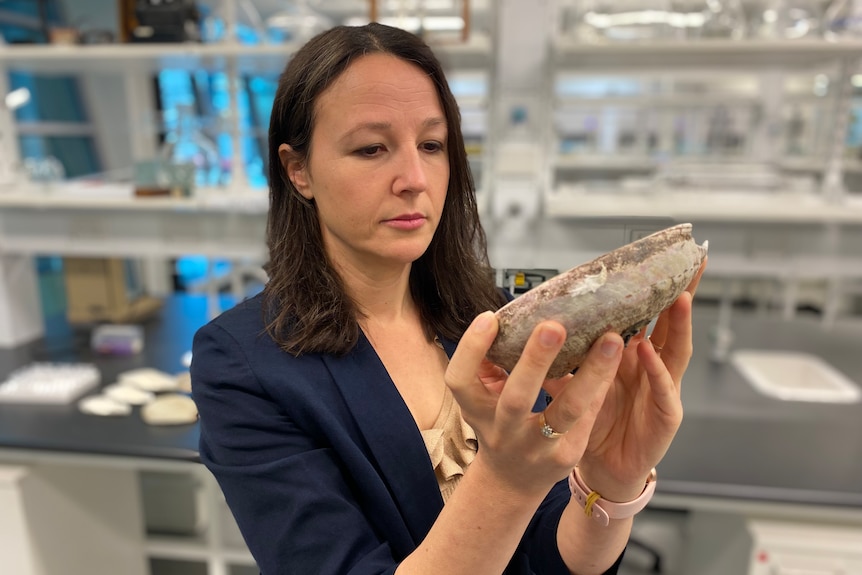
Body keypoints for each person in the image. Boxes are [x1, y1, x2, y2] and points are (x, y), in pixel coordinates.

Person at [191, 22, 704, 575]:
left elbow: (554, 558)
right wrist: (506, 480)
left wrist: (612, 479)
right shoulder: (245, 363)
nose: (415, 177)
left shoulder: (488, 317)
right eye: (371, 148)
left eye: (432, 145)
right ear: (299, 171)